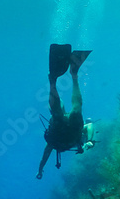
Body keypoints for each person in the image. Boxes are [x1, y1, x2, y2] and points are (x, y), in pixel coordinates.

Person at [36, 44, 92, 179]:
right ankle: (72, 76)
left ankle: (55, 81)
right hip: (70, 133)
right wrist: (88, 142)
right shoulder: (53, 138)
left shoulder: (52, 141)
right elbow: (89, 126)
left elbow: (46, 154)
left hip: (62, 134)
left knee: (65, 112)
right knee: (75, 110)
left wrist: (40, 169)